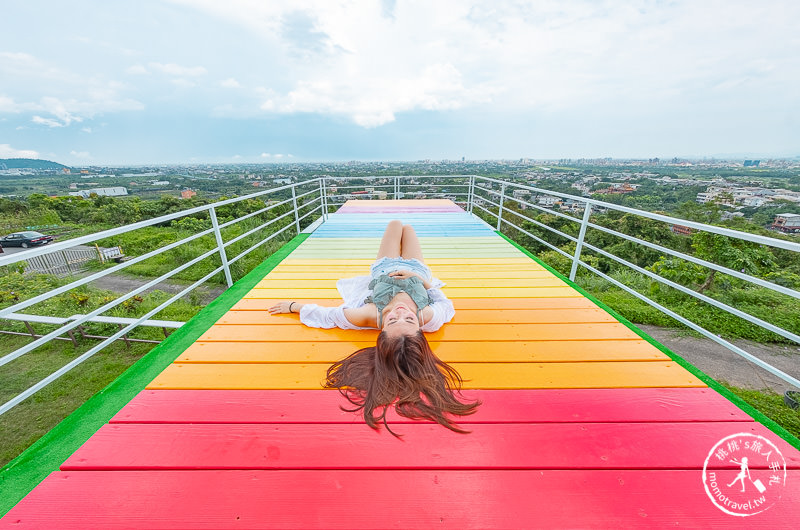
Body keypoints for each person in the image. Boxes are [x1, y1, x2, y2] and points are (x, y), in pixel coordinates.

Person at [269, 220, 480, 435]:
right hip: (417, 271)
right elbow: (445, 304)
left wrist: (294, 306)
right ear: (418, 326)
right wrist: (420, 280)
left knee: (395, 225)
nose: (400, 312)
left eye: (392, 321)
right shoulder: (428, 318)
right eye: (409, 320)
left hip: (384, 268)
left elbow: (328, 315)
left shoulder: (369, 315)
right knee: (408, 230)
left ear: (382, 332)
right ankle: (414, 264)